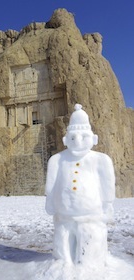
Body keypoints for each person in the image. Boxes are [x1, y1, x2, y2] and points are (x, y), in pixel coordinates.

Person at [45, 104, 115, 265]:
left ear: (94, 138)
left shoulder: (100, 159)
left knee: (90, 250)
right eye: (72, 137)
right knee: (63, 250)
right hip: (64, 215)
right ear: (65, 139)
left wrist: (108, 204)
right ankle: (63, 266)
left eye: (83, 136)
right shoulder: (57, 159)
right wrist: (49, 201)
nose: (77, 141)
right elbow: (51, 184)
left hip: (91, 215)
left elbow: (107, 184)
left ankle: (89, 267)